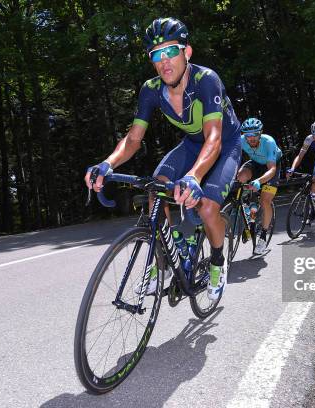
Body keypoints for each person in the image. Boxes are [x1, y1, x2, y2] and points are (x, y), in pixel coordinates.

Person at [85, 17, 241, 301]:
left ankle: (218, 262)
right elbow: (133, 139)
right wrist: (107, 164)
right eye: (157, 55)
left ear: (187, 52)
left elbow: (214, 138)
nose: (164, 61)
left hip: (224, 144)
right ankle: (166, 258)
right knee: (156, 189)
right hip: (192, 144)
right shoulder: (151, 89)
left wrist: (194, 176)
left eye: (171, 51)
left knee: (206, 209)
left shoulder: (206, 80)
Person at [237, 117, 282, 255]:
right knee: (240, 177)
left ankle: (263, 236)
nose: (251, 138)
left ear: (260, 133)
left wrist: (259, 181)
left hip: (271, 167)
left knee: (265, 201)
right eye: (247, 135)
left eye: (254, 134)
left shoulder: (268, 142)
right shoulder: (241, 140)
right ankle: (247, 210)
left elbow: (272, 169)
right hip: (255, 163)